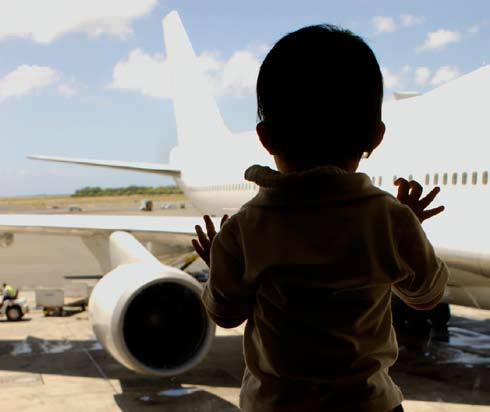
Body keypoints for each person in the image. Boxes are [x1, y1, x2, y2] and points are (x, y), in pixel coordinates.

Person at [192, 24, 448, 412]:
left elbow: (224, 314)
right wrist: (410, 231)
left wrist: (219, 266)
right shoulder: (389, 219)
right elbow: (427, 296)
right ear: (375, 137)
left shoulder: (246, 228)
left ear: (265, 137)